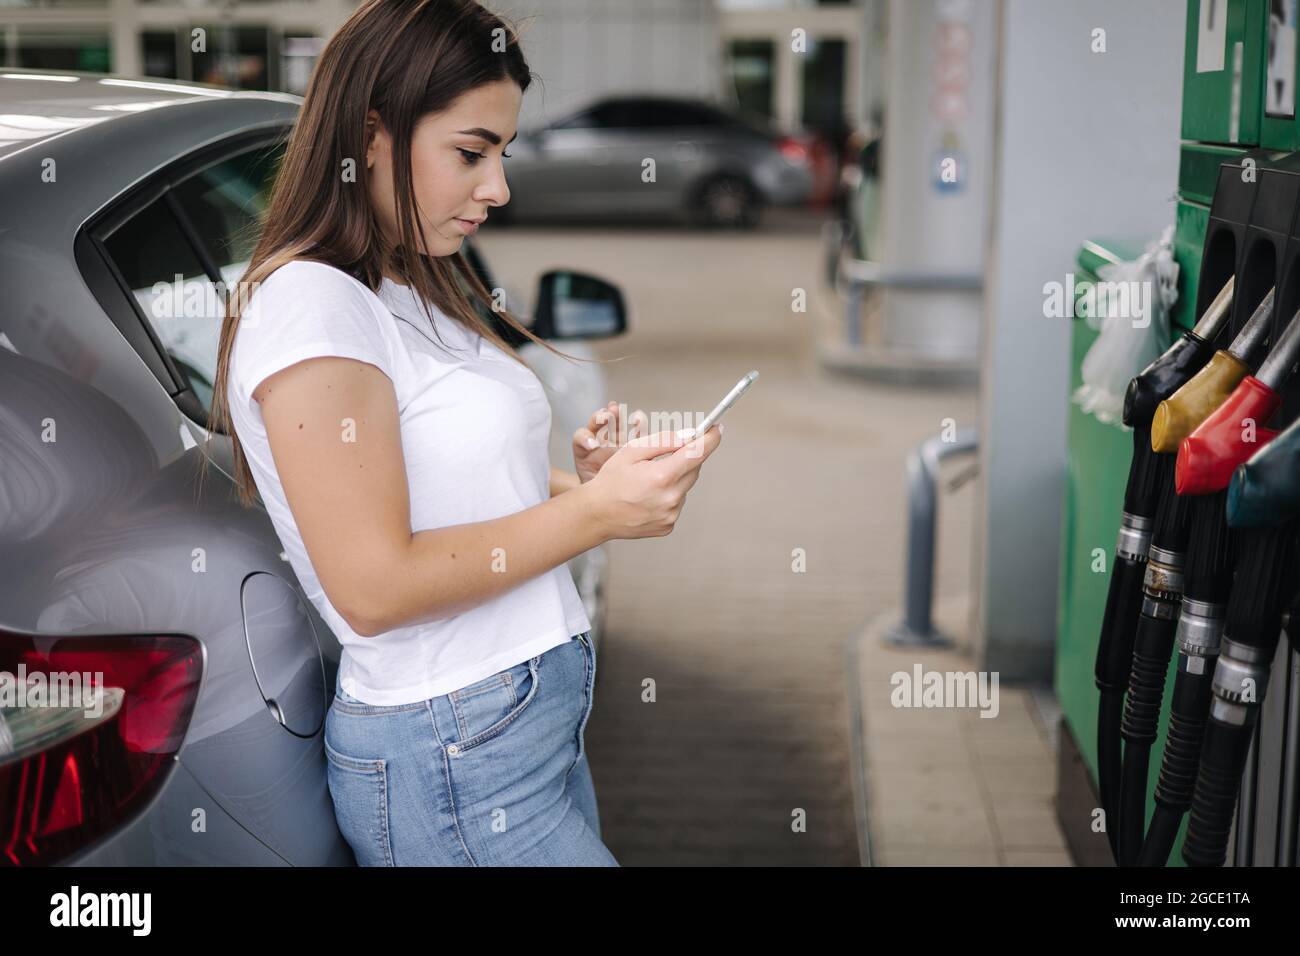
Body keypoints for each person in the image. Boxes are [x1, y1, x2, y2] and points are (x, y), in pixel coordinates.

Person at [206, 0, 723, 866]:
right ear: (372, 134)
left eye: (504, 154)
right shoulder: (309, 307)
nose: (499, 188)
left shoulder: (402, 284)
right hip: (453, 752)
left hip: (513, 734)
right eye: (471, 154)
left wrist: (597, 487)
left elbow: (446, 492)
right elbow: (374, 584)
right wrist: (598, 518)